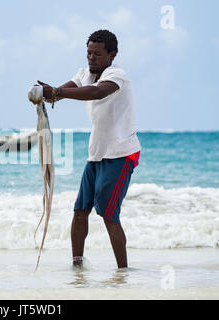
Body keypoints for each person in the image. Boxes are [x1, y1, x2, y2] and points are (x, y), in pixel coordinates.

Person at [36, 29, 141, 269]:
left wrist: (56, 92)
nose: (91, 58)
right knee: (80, 210)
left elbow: (96, 92)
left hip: (121, 153)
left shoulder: (117, 75)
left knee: (108, 213)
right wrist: (43, 94)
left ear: (112, 55)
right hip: (96, 154)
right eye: (89, 53)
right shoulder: (84, 74)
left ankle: (123, 271)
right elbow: (60, 93)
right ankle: (77, 266)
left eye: (97, 54)